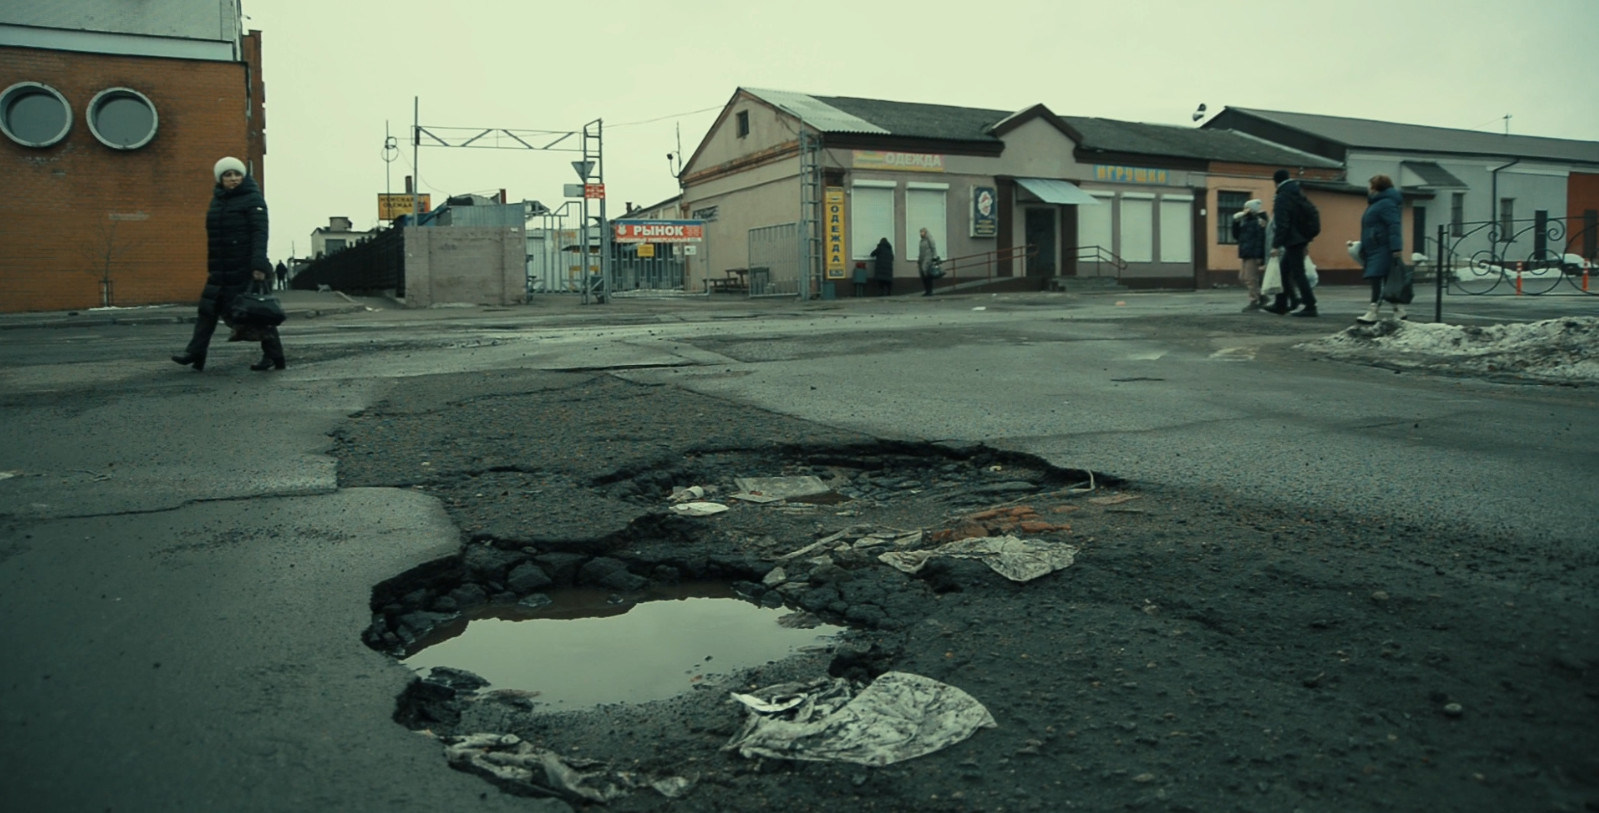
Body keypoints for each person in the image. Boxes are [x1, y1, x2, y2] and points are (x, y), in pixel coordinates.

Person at [171, 157, 286, 372]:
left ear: (244, 176)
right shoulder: (218, 201)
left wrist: (259, 265)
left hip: (245, 268)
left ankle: (275, 356)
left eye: (237, 174)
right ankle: (195, 353)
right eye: (227, 175)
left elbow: (260, 234)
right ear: (220, 179)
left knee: (257, 313)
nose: (233, 179)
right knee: (207, 310)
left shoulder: (253, 199)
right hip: (220, 269)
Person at [1266, 169, 1318, 317]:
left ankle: (1309, 305)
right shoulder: (1298, 193)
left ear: (1275, 182)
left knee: (1298, 273)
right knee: (1284, 271)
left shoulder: (1283, 196)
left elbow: (1283, 223)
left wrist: (1276, 245)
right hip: (1300, 238)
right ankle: (1283, 303)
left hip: (1293, 240)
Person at [1356, 174, 1405, 324]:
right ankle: (1399, 310)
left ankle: (1373, 312)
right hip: (1375, 247)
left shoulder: (1386, 204)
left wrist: (1396, 247)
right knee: (1384, 279)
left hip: (1382, 247)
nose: (1368, 189)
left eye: (1370, 186)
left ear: (1377, 188)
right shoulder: (1377, 203)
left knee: (1377, 278)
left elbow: (1394, 226)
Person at [1231, 199, 1269, 311]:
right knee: (1243, 277)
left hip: (1253, 254)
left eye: (1247, 208)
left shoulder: (1259, 221)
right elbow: (1236, 235)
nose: (1244, 210)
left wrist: (1258, 256)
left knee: (1250, 278)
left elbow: (1259, 240)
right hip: (1246, 253)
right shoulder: (1246, 221)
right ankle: (1262, 297)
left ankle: (1254, 300)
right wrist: (1236, 222)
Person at [917, 227, 939, 296]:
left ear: (925, 232)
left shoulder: (929, 239)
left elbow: (933, 248)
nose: (921, 233)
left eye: (922, 232)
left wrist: (934, 257)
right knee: (923, 275)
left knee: (927, 273)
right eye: (920, 232)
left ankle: (930, 291)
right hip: (922, 259)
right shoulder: (921, 241)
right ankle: (927, 290)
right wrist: (919, 259)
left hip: (928, 258)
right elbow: (921, 251)